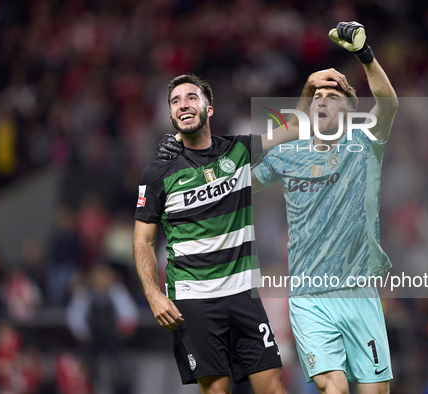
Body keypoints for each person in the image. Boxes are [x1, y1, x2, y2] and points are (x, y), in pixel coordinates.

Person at [156, 21, 398, 394]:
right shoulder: (286, 154)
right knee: (333, 388)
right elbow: (228, 180)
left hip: (359, 291)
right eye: (315, 94)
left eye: (332, 94)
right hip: (307, 296)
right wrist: (184, 151)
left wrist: (364, 57)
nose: (322, 99)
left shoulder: (364, 141)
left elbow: (389, 103)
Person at [133, 69, 348, 394]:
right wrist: (153, 294)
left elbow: (296, 124)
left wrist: (310, 86)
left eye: (192, 97)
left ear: (209, 108)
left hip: (243, 294)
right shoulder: (157, 173)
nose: (183, 104)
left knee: (274, 388)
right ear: (171, 114)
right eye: (175, 101)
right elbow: (143, 240)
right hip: (194, 300)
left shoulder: (238, 150)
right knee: (217, 391)